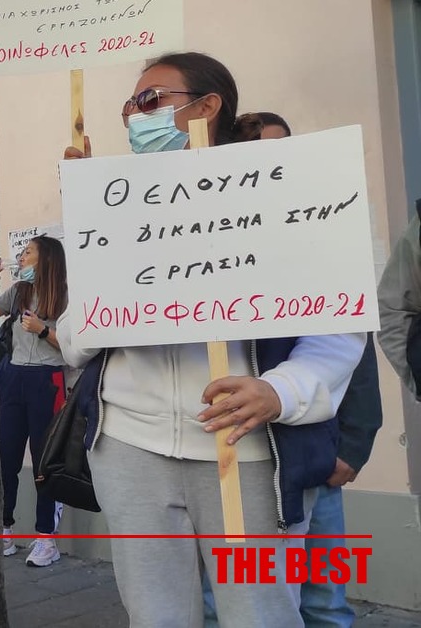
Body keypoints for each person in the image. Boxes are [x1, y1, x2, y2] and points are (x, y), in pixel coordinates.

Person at [60, 52, 364, 628]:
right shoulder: (116, 207)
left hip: (250, 454)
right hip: (129, 448)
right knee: (155, 617)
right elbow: (75, 341)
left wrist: (280, 391)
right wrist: (94, 229)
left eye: (150, 100)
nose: (135, 116)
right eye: (130, 105)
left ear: (206, 107)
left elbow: (337, 331)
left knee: (261, 615)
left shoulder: (292, 197)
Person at [200, 114, 383, 628]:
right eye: (260, 152)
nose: (276, 162)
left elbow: (354, 350)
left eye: (284, 150)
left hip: (316, 453)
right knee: (228, 601)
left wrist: (354, 444)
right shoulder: (212, 243)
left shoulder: (319, 233)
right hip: (244, 460)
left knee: (325, 599)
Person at [0, 235, 68, 566]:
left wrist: (42, 330)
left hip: (47, 380)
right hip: (14, 377)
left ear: (46, 258)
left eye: (28, 252)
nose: (21, 257)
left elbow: (75, 346)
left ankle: (46, 537)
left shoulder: (64, 295)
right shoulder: (19, 291)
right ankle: (5, 529)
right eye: (21, 252)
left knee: (43, 461)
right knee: (6, 456)